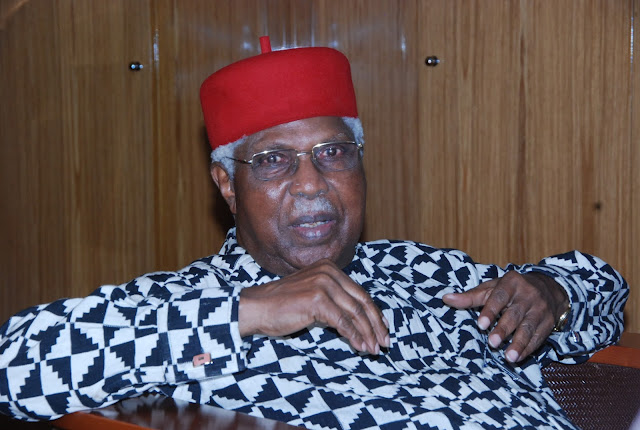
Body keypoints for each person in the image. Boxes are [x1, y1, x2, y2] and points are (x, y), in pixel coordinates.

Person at [0, 36, 628, 429]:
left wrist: (552, 291)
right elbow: (14, 365)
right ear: (227, 185)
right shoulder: (192, 304)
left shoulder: (418, 270)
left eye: (333, 154)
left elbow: (607, 296)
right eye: (274, 161)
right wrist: (249, 311)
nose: (311, 183)